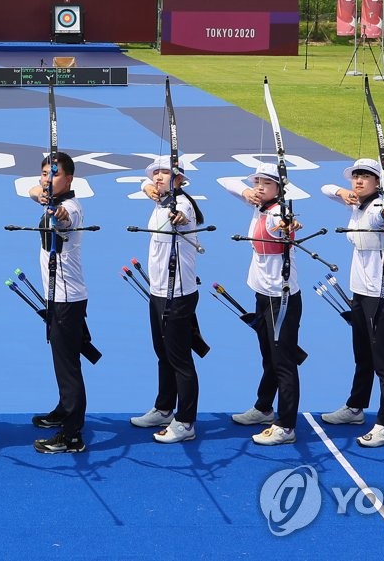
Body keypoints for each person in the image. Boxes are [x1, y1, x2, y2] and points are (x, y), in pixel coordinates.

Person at [319, 158, 384, 448]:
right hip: (359, 292)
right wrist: (343, 194)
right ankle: (356, 408)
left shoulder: (379, 207)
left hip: (382, 295)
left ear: (378, 183)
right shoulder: (355, 202)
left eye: (366, 177)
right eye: (356, 176)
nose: (358, 181)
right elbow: (325, 188)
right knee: (362, 355)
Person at [219, 163, 305, 445]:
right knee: (268, 354)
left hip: (281, 298)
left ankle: (286, 425)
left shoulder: (277, 213)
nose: (259, 187)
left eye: (266, 184)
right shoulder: (259, 206)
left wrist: (288, 224)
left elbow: (284, 224)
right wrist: (247, 192)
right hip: (262, 293)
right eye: (257, 182)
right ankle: (264, 408)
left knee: (283, 362)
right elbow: (225, 180)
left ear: (280, 189)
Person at [131, 156, 204, 443]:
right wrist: (150, 187)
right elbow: (145, 185)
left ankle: (185, 421)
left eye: (165, 172)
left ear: (180, 178)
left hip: (178, 294)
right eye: (155, 173)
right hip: (159, 290)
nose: (158, 177)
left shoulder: (181, 204)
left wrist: (179, 216)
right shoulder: (161, 198)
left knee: (180, 359)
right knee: (162, 353)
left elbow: (182, 214)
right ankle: (164, 408)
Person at [25, 152, 90, 454]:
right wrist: (42, 192)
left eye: (54, 174)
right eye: (43, 173)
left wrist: (56, 210)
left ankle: (72, 435)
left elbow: (65, 219)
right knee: (60, 361)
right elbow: (33, 190)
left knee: (68, 367)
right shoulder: (48, 196)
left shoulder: (71, 208)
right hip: (57, 296)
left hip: (67, 299)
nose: (46, 179)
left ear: (70, 179)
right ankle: (65, 410)